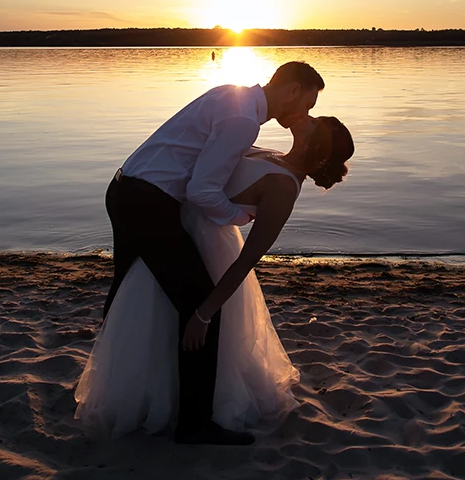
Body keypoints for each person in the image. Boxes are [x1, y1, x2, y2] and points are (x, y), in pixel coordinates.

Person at [76, 110, 354, 443]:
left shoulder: (283, 187)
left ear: (314, 143)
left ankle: (197, 415)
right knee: (152, 321)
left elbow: (248, 258)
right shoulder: (268, 153)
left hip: (209, 252)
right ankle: (157, 399)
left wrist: (204, 312)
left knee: (194, 324)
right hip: (172, 234)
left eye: (313, 122)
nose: (306, 115)